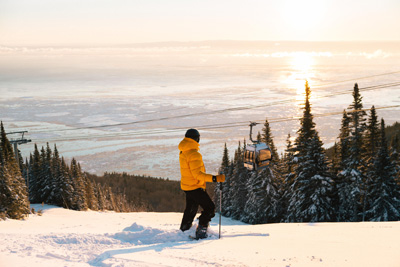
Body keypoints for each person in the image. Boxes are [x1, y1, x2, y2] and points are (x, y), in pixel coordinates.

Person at [178, 128, 225, 239]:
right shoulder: (194, 154)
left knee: (191, 209)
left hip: (187, 185)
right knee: (210, 208)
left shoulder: (183, 151)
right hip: (195, 186)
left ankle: (184, 229)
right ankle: (201, 230)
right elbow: (198, 175)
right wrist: (216, 178)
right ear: (197, 139)